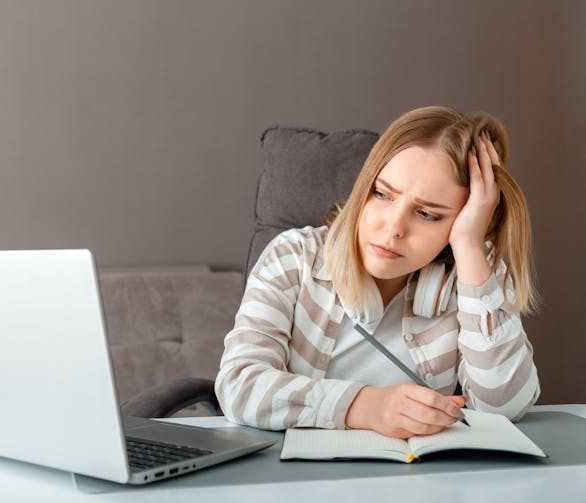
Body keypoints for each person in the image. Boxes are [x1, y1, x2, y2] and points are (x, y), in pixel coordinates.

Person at [215, 106, 540, 439]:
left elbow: (505, 405)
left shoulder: (472, 271)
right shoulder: (293, 257)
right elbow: (240, 385)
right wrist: (365, 407)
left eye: (428, 214)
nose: (394, 227)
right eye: (382, 194)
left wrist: (471, 249)